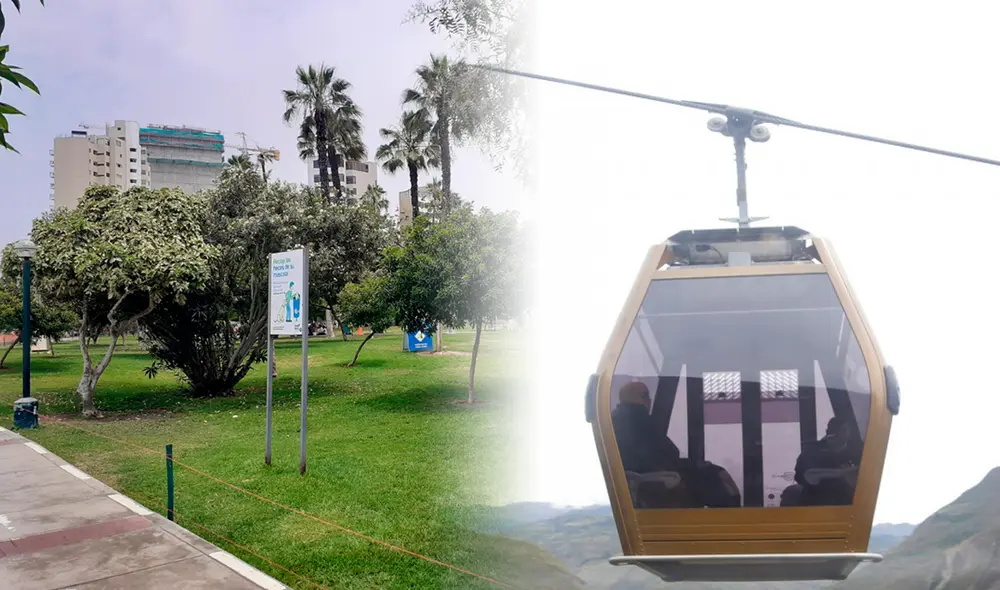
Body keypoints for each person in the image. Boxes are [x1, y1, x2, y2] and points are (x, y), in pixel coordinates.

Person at [786, 416, 862, 506]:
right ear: (828, 432)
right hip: (817, 504)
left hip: (848, 506)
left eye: (845, 431)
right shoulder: (812, 452)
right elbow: (806, 475)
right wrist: (842, 473)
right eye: (838, 431)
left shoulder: (856, 453)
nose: (840, 434)